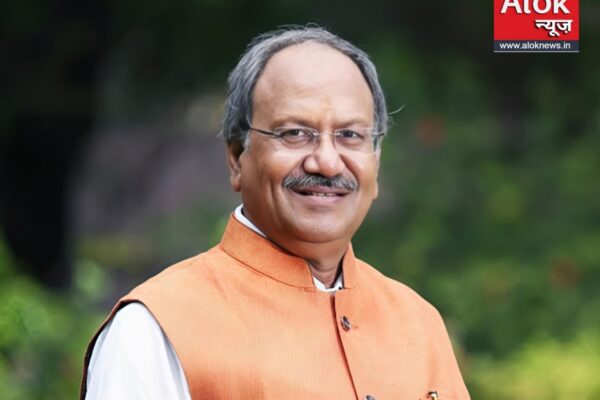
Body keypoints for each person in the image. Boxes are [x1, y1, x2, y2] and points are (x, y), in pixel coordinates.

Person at [81, 26, 470, 400]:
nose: (327, 162)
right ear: (237, 157)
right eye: (295, 133)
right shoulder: (154, 329)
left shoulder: (419, 325)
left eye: (350, 135)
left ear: (376, 162)